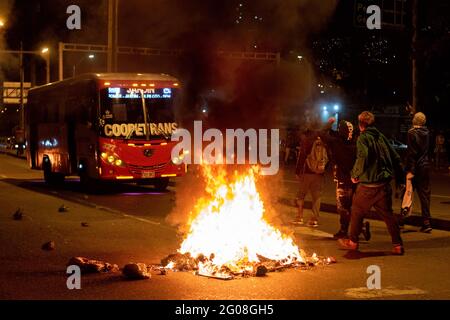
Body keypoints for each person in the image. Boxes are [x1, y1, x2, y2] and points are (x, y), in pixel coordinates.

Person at [338, 111, 405, 255]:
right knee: (388, 216)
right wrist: (400, 179)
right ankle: (398, 245)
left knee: (356, 210)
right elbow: (396, 157)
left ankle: (353, 242)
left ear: (361, 124)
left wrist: (355, 175)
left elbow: (362, 157)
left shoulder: (363, 138)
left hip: (369, 186)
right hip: (384, 185)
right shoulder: (381, 137)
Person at [320, 118, 371, 240]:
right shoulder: (356, 143)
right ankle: (359, 226)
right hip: (356, 182)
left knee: (343, 208)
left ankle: (350, 228)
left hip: (343, 181)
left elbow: (322, 134)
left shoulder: (337, 143)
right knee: (353, 207)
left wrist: (329, 123)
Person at [292, 130, 328, 227]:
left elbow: (302, 156)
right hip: (319, 174)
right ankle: (314, 220)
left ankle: (299, 217)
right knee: (317, 197)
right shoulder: (323, 142)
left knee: (301, 195)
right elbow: (328, 158)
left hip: (307, 173)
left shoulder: (307, 141)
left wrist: (297, 171)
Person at [403, 112, 432, 233]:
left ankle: (402, 219)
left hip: (415, 167)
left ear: (414, 121)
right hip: (425, 166)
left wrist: (410, 170)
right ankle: (426, 222)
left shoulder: (411, 133)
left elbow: (412, 153)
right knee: (424, 195)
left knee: (408, 192)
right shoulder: (427, 132)